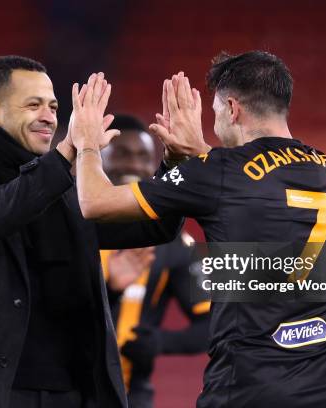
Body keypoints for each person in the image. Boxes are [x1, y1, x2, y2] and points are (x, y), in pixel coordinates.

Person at [69, 50, 326, 408]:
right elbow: (250, 185)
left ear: (233, 109)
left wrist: (84, 143)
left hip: (250, 388)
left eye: (217, 112)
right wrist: (196, 156)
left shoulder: (217, 171)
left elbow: (94, 203)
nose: (215, 122)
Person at [0, 55, 184, 408]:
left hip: (75, 393)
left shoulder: (67, 188)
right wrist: (64, 156)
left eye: (54, 106)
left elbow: (152, 225)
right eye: (33, 105)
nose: (49, 116)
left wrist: (177, 166)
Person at [99, 114, 210, 408]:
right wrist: (109, 288)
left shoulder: (172, 241)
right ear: (98, 159)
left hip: (132, 397)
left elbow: (213, 324)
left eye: (144, 157)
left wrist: (159, 342)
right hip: (60, 393)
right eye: (122, 154)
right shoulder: (67, 225)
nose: (133, 165)